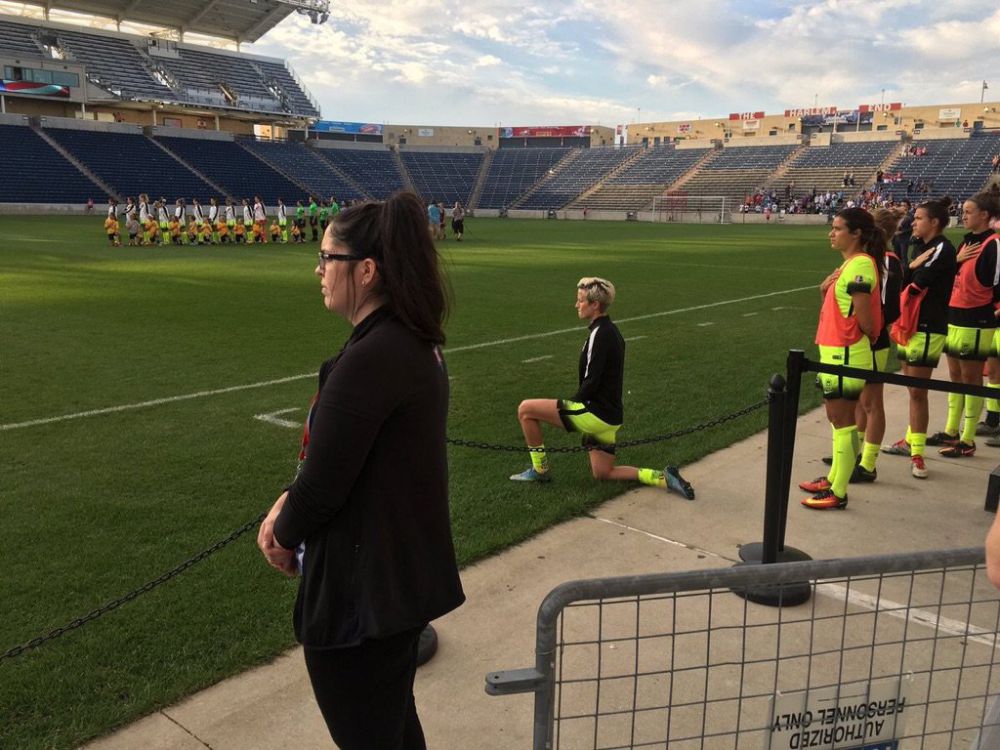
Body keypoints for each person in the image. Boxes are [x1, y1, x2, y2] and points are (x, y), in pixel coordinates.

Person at [257, 191, 464, 750]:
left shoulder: (375, 356)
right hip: (390, 587)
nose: (319, 269)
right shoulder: (404, 342)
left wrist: (282, 531)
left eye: (328, 257)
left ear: (367, 270)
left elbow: (324, 486)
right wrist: (288, 499)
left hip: (361, 600)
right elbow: (348, 460)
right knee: (393, 729)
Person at [509, 277, 695, 499]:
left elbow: (591, 383)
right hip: (610, 417)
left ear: (594, 305)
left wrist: (569, 407)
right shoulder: (611, 331)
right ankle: (662, 477)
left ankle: (540, 470)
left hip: (595, 414)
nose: (576, 305)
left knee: (525, 410)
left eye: (580, 301)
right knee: (603, 472)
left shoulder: (600, 334)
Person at [799, 208, 883, 509]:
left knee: (844, 421)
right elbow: (841, 308)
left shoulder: (861, 265)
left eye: (837, 228)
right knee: (837, 420)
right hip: (835, 350)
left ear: (856, 233)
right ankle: (834, 477)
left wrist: (862, 335)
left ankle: (839, 491)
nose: (831, 234)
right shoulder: (850, 264)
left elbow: (866, 320)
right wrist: (826, 291)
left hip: (847, 353)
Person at [882, 198, 958, 478]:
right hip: (911, 325)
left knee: (917, 392)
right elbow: (906, 281)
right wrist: (911, 266)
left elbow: (913, 286)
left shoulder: (941, 249)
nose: (913, 222)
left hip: (926, 326)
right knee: (912, 390)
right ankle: (911, 442)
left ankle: (918, 455)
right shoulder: (923, 248)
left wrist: (910, 268)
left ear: (934, 222)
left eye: (919, 218)